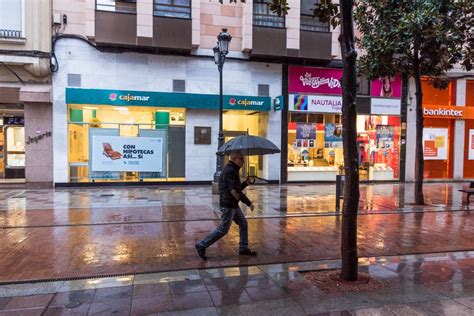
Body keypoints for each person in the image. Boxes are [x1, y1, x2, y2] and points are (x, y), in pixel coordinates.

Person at [195, 151, 257, 260]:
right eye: (241, 159)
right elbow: (235, 191)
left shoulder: (233, 170)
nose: (243, 161)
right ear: (234, 159)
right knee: (223, 229)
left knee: (243, 223)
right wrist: (249, 203)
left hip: (232, 205)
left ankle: (243, 247)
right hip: (228, 205)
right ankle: (202, 244)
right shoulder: (230, 171)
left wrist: (246, 183)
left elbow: (236, 188)